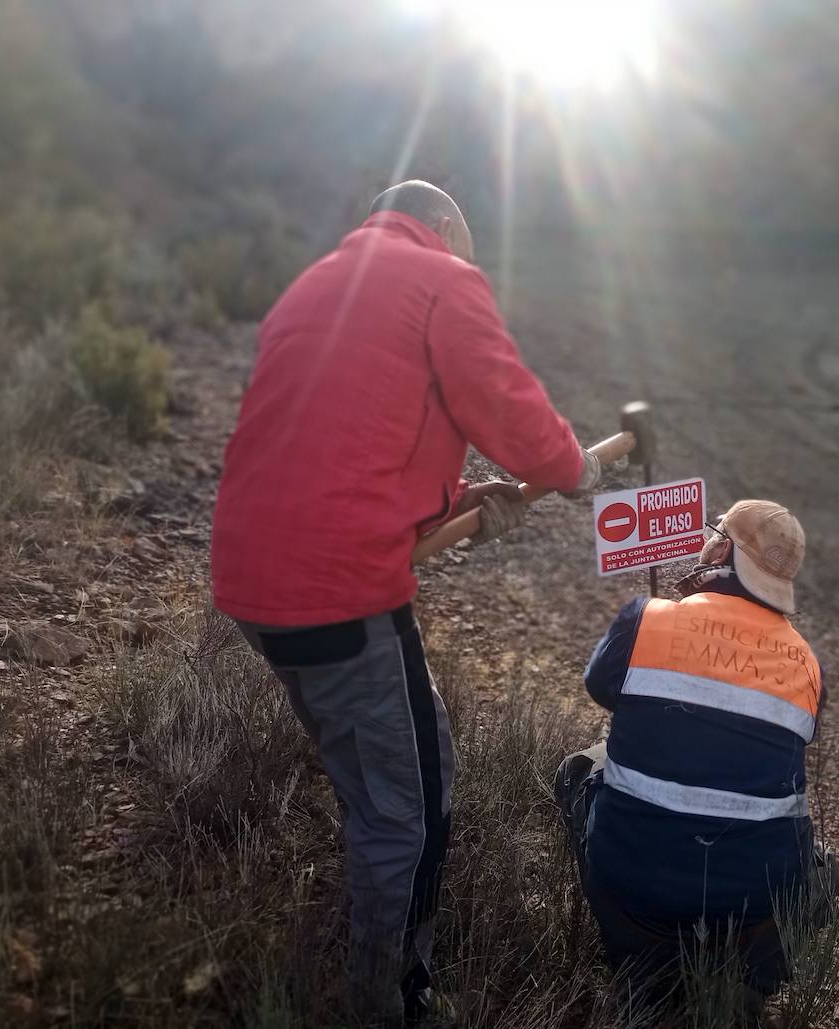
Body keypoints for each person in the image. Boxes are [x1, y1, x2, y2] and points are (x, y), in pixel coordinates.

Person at [210, 180, 601, 1024]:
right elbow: (511, 407)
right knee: (409, 807)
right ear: (447, 230)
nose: (472, 263)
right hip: (338, 590)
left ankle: (369, 936)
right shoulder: (443, 280)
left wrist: (460, 503)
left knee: (387, 772)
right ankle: (389, 998)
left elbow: (350, 440)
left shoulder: (319, 282)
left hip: (253, 578)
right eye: (468, 247)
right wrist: (578, 470)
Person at [555, 500, 837, 1012]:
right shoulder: (808, 664)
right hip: (753, 907)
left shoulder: (645, 618)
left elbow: (600, 687)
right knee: (823, 866)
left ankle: (632, 951)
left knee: (578, 770)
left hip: (636, 893)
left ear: (722, 549)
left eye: (713, 532)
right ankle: (748, 976)